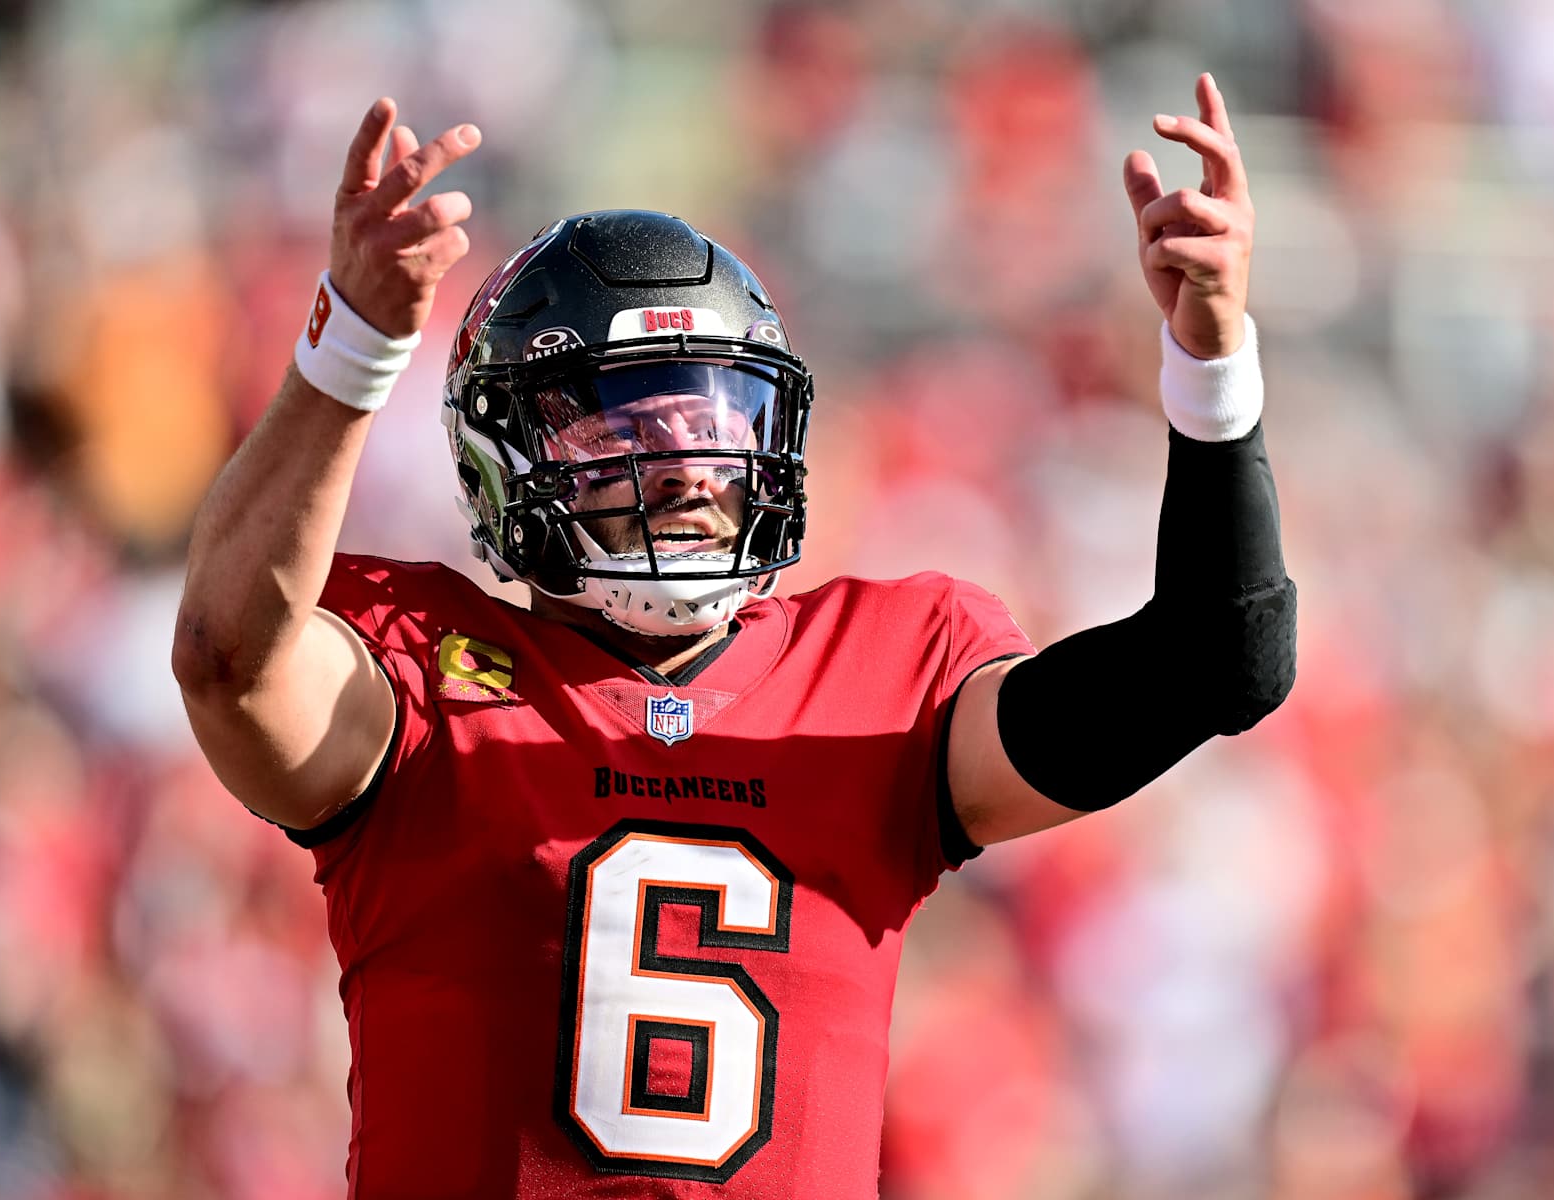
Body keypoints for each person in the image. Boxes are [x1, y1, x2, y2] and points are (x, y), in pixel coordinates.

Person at [173, 73, 1295, 1199]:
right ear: (502, 462)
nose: (690, 463)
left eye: (717, 414)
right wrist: (349, 351)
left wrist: (1212, 366)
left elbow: (1215, 662)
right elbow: (230, 659)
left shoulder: (889, 673)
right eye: (628, 419)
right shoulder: (418, 666)